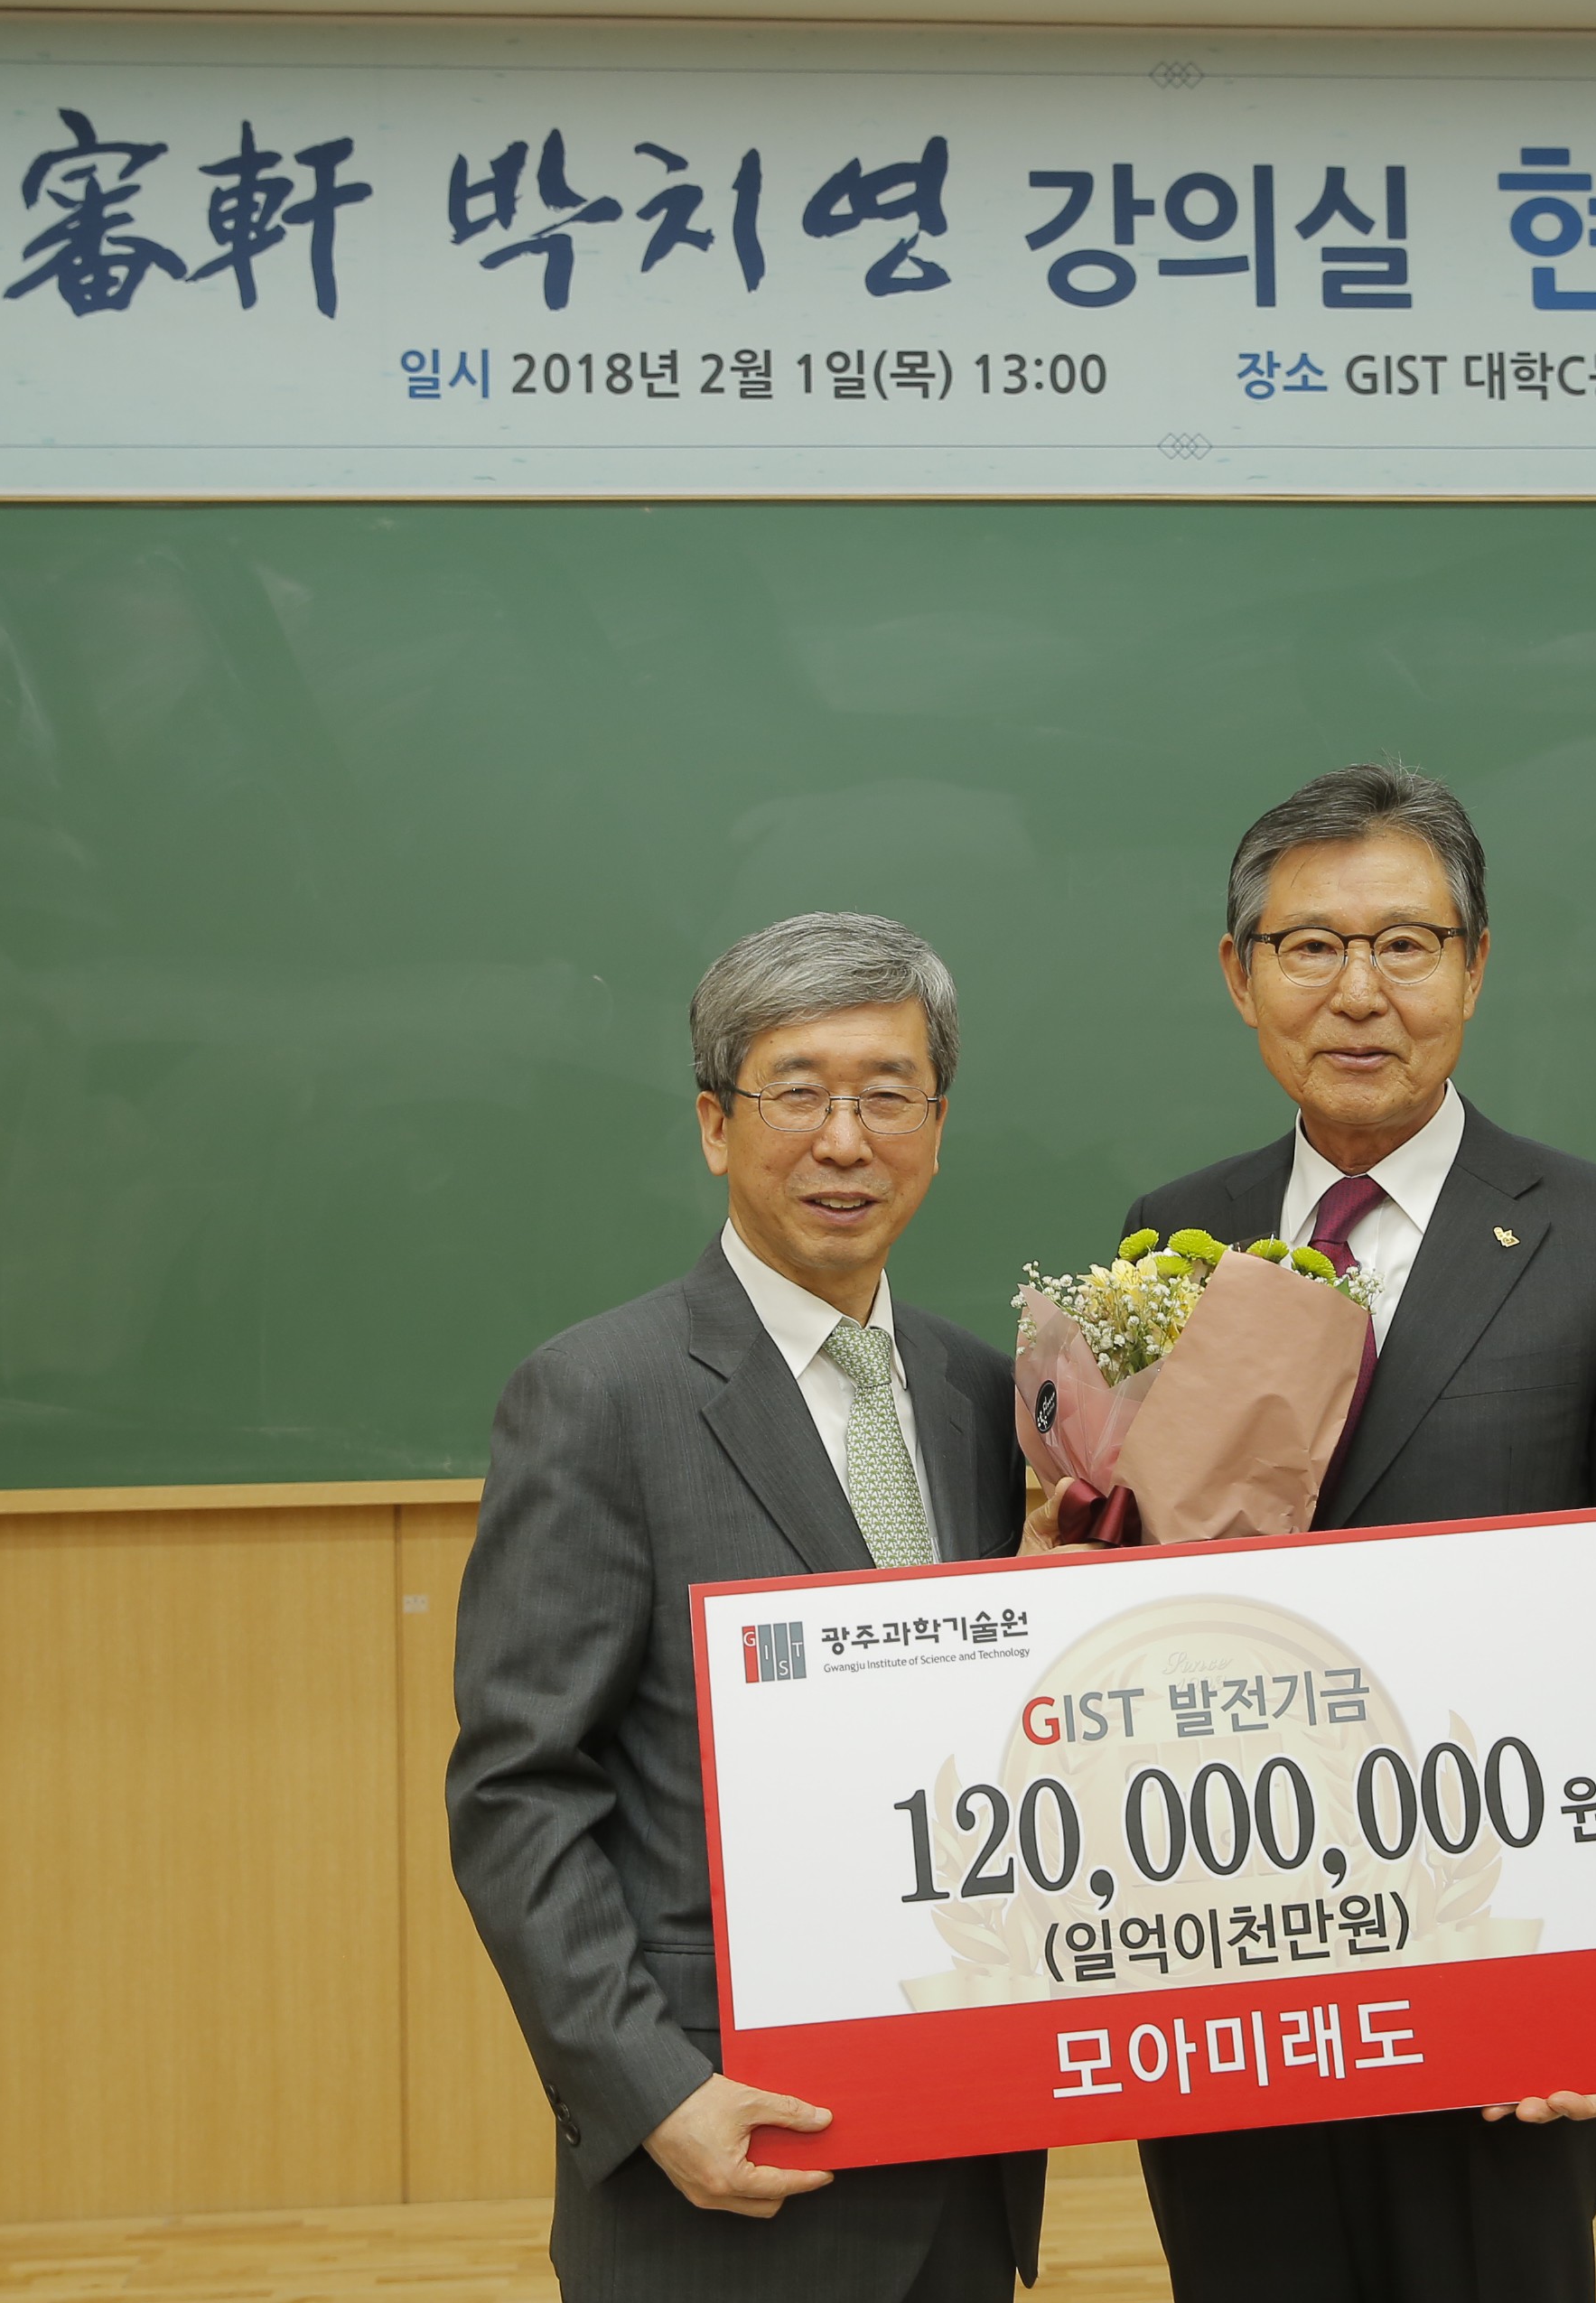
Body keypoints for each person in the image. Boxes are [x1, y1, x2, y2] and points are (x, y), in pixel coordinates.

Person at [1106, 764, 1596, 2303]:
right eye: (1310, 947)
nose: (1359, 991)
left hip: (1503, 1977)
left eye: (1406, 944)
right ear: (1240, 976)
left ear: (1474, 967)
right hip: (1235, 1978)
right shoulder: (1165, 1237)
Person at [446, 910, 1044, 2303]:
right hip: (723, 2154)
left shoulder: (983, 1397)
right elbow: (520, 1791)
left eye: (888, 1095)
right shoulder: (599, 1396)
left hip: (960, 2145)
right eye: (798, 1094)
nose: (846, 1141)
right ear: (717, 1125)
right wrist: (653, 2091)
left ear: (937, 1128)